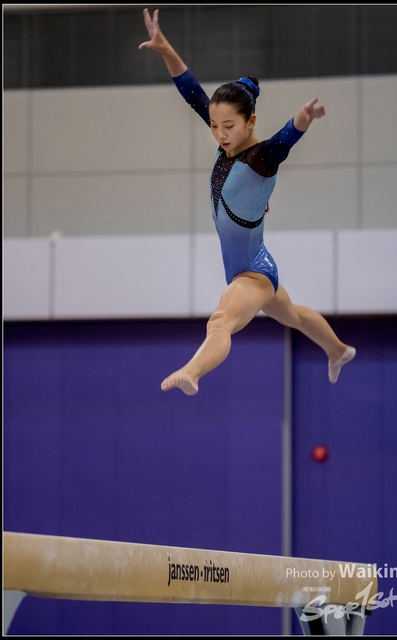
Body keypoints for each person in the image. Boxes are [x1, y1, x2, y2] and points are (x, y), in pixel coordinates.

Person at [139, 8, 356, 396]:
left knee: (220, 321)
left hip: (251, 272)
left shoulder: (260, 157)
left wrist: (304, 117)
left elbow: (285, 139)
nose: (219, 134)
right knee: (293, 315)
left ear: (250, 121)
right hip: (256, 262)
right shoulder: (228, 142)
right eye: (214, 125)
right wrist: (166, 48)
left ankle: (192, 372)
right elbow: (191, 91)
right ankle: (338, 350)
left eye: (229, 126)